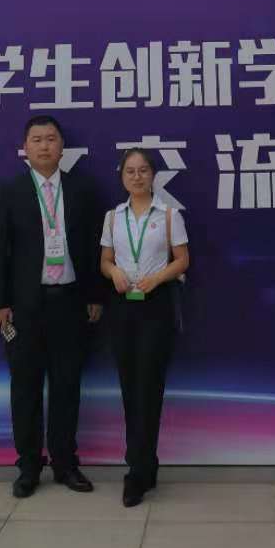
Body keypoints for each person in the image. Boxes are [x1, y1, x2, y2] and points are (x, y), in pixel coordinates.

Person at [0, 115, 104, 498]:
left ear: (62, 146)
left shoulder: (82, 190)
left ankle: (65, 464)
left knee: (67, 386)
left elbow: (93, 247)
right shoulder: (11, 191)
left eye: (51, 139)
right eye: (36, 139)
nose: (44, 146)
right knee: (25, 388)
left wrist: (94, 295)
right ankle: (28, 466)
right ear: (25, 147)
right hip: (24, 308)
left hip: (70, 303)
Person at [100, 146, 189, 506]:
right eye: (130, 171)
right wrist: (114, 272)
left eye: (143, 170)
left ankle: (137, 472)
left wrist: (157, 278)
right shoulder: (113, 217)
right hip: (123, 307)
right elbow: (105, 260)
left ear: (153, 175)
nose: (137, 177)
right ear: (122, 177)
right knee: (129, 387)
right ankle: (143, 465)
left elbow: (183, 260)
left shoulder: (168, 215)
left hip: (156, 307)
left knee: (149, 389)